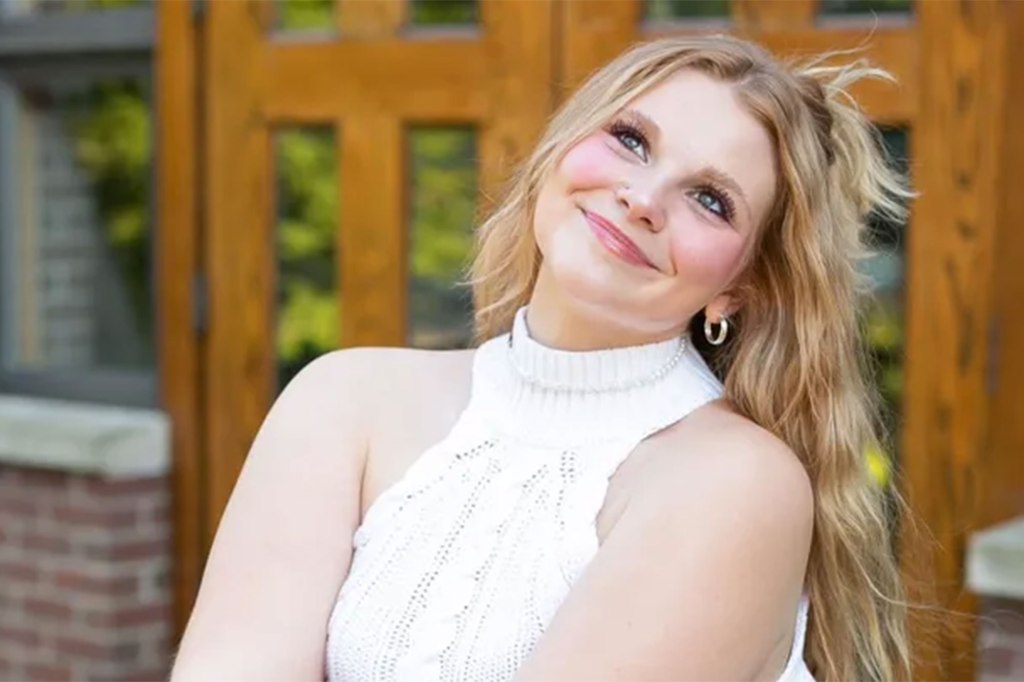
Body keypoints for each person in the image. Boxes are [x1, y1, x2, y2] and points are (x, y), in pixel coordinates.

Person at [170, 34, 915, 681]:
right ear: (562, 150)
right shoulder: (347, 398)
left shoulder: (734, 482)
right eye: (631, 139)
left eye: (711, 200)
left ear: (739, 289)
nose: (643, 196)